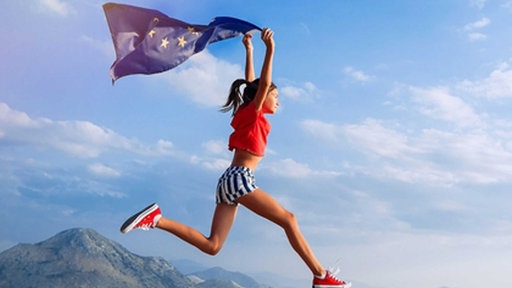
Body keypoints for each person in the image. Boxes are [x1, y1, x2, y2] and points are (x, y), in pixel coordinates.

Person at [120, 28, 351, 288]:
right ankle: (321, 276)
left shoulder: (246, 112)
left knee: (213, 246)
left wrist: (249, 50)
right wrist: (270, 50)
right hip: (240, 179)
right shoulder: (252, 113)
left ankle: (157, 219)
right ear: (261, 99)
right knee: (289, 220)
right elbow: (260, 85)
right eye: (275, 96)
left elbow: (252, 84)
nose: (277, 101)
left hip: (228, 181)